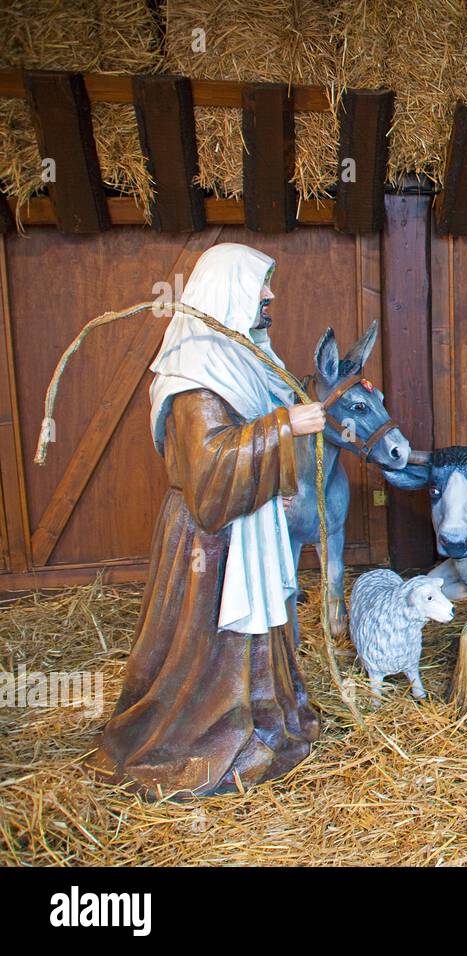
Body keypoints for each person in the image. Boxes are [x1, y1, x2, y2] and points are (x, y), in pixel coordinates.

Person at [88, 243, 326, 798]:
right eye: (260, 286)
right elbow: (212, 478)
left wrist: (285, 434)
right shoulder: (196, 378)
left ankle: (262, 722)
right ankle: (203, 740)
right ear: (229, 292)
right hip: (210, 543)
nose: (271, 297)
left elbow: (255, 433)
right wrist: (285, 427)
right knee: (208, 646)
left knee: (257, 636)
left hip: (245, 529)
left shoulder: (240, 358)